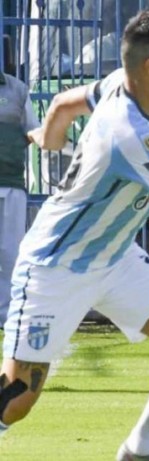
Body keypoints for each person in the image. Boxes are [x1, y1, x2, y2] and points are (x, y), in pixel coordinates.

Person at [0, 10, 149, 461]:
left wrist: (51, 137)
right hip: (55, 267)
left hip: (114, 258)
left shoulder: (118, 83)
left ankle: (140, 450)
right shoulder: (131, 134)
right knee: (15, 399)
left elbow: (65, 104)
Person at [0, 73, 40, 326]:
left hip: (11, 182)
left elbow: (33, 130)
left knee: (10, 253)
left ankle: (7, 315)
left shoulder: (17, 89)